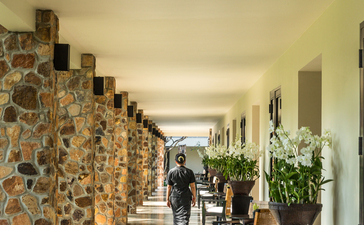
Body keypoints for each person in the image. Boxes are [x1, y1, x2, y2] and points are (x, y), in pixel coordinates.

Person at [166, 153, 196, 225]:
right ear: (185, 161)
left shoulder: (171, 172)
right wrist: (194, 197)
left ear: (176, 161)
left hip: (175, 197)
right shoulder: (189, 172)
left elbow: (169, 187)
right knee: (185, 216)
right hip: (186, 196)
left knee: (176, 216)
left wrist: (167, 199)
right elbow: (192, 186)